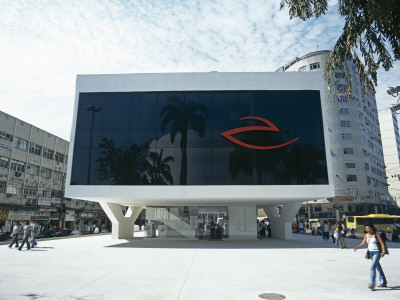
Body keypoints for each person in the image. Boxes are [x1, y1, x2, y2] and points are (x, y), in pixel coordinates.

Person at [354, 224, 388, 289]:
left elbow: (382, 243)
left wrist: (383, 251)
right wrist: (357, 247)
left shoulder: (376, 235)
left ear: (372, 228)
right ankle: (383, 282)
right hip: (370, 253)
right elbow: (363, 243)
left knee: (372, 267)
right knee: (378, 267)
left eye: (368, 228)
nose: (367, 229)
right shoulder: (366, 235)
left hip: (377, 253)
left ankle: (372, 283)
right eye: (366, 228)